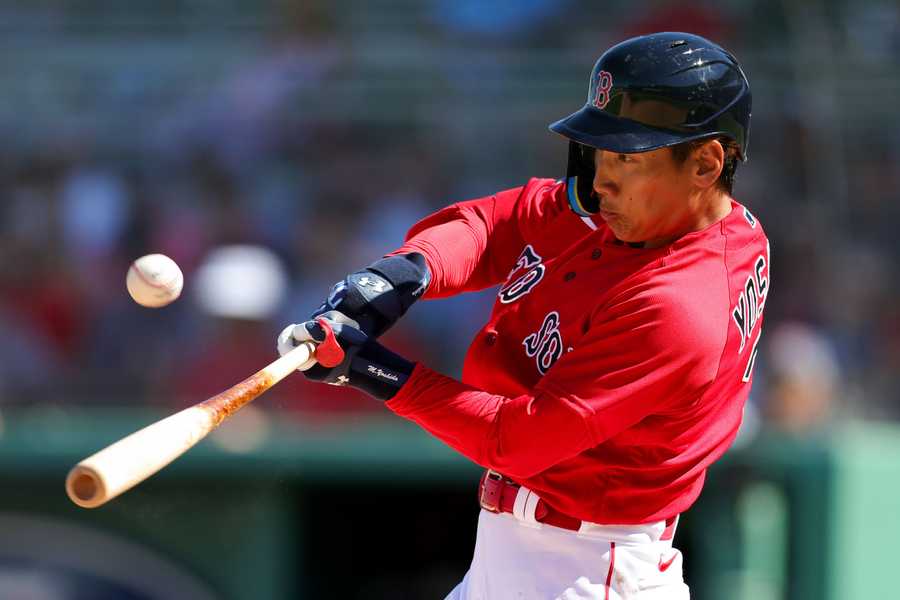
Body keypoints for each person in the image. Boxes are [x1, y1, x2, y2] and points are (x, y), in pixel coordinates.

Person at [277, 31, 769, 599]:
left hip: (590, 570)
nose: (600, 177)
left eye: (627, 157)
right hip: (528, 554)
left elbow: (517, 438)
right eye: (601, 150)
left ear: (707, 163)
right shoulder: (656, 213)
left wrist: (372, 371)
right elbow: (496, 225)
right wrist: (407, 271)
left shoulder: (681, 303)